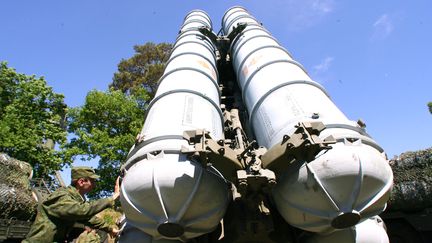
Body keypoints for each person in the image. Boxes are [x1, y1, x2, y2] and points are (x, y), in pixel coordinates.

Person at [23, 166, 120, 243]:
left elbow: (89, 218)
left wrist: (110, 229)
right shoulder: (61, 196)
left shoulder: (75, 199)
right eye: (92, 181)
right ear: (81, 182)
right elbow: (82, 211)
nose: (95, 185)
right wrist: (111, 199)